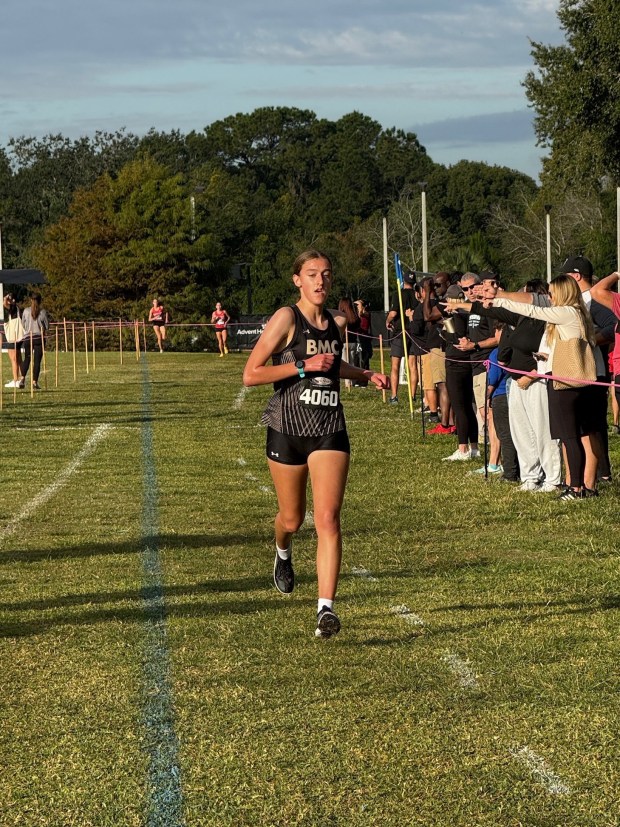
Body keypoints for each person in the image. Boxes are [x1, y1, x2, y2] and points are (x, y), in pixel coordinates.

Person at [242, 250, 389, 638]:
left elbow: (333, 364)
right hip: (288, 429)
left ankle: (326, 609)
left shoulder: (336, 323)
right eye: (311, 274)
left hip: (329, 428)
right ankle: (282, 550)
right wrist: (302, 366)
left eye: (325, 274)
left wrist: (363, 374)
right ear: (297, 280)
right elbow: (251, 374)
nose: (320, 281)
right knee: (291, 519)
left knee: (327, 518)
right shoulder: (287, 318)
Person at [462, 275, 598, 500]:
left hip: (566, 383)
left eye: (553, 293)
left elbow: (532, 310)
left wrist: (499, 300)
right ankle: (574, 485)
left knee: (569, 436)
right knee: (569, 436)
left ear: (563, 293)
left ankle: (575, 488)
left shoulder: (568, 312)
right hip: (562, 380)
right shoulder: (571, 313)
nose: (550, 297)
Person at [385, 272, 418, 404]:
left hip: (400, 332)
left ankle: (394, 396)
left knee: (395, 366)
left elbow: (393, 313)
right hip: (414, 332)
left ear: (403, 281)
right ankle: (413, 396)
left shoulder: (398, 294)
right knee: (413, 366)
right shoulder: (417, 294)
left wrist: (387, 321)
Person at [20, 293, 49, 390]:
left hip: (28, 338)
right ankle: (34, 382)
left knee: (27, 359)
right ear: (40, 300)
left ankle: (22, 379)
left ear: (31, 300)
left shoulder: (26, 311)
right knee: (37, 361)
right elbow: (47, 326)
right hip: (39, 338)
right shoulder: (43, 312)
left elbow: (23, 324)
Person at [3, 293, 24, 388]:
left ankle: (15, 380)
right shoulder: (18, 309)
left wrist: (6, 298)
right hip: (19, 336)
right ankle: (21, 379)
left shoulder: (12, 307)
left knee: (13, 359)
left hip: (13, 337)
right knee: (19, 359)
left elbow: (4, 304)